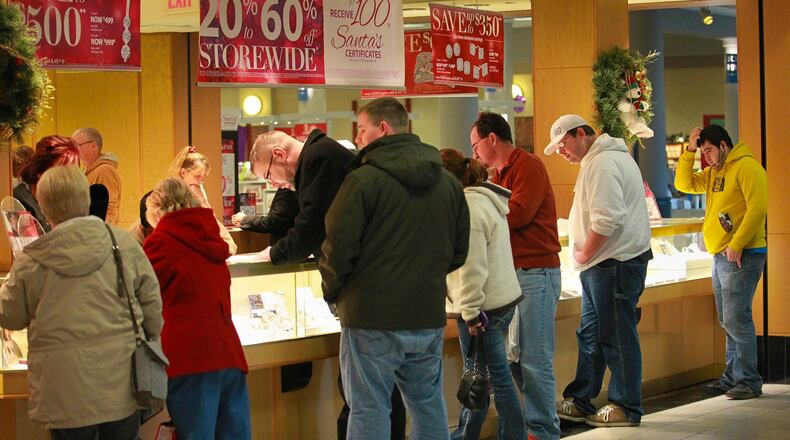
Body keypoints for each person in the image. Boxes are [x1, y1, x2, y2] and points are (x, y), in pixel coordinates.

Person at [319, 97, 470, 440]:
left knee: (370, 407)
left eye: (362, 130)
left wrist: (333, 292)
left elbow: (337, 247)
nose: (358, 139)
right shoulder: (447, 183)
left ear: (382, 129)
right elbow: (459, 251)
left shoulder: (361, 181)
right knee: (428, 404)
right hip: (427, 314)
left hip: (371, 317)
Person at [0, 165, 163, 439]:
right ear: (86, 198)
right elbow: (153, 307)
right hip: (122, 382)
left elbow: (10, 315)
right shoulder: (123, 244)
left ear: (44, 206)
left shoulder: (32, 259)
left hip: (63, 391)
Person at [545, 114, 652, 427]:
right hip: (602, 266)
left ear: (581, 134)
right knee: (592, 333)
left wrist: (583, 252)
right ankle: (581, 398)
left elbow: (607, 220)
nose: (562, 152)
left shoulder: (603, 163)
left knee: (617, 335)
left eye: (563, 143)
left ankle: (626, 405)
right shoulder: (600, 160)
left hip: (613, 264)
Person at [470, 112, 562, 440]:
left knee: (535, 359)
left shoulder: (528, 166)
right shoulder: (499, 174)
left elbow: (519, 214)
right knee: (515, 361)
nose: (474, 153)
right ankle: (532, 428)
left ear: (492, 138)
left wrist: (485, 211)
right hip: (514, 276)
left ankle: (544, 431)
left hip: (535, 272)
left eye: (476, 144)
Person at [143, 178, 251, 439]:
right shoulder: (211, 237)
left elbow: (144, 298)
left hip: (189, 356)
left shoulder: (160, 243)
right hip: (228, 352)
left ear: (157, 210)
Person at [674, 125, 767, 400]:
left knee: (737, 318)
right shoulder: (714, 172)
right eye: (703, 152)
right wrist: (689, 152)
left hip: (743, 254)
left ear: (725, 146)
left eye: (710, 151)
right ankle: (732, 375)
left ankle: (748, 379)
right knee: (727, 319)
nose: (707, 157)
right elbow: (684, 184)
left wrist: (737, 244)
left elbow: (757, 208)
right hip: (721, 255)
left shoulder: (748, 168)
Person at [440, 148, 525, 440]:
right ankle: (467, 434)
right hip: (499, 301)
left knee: (493, 376)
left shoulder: (470, 208)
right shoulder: (485, 200)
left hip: (483, 308)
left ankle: (510, 434)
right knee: (483, 375)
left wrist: (472, 312)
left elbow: (472, 266)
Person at [248, 129, 354, 264]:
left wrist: (275, 253)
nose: (273, 184)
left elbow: (313, 225)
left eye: (268, 176)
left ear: (279, 154)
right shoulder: (317, 156)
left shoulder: (318, 159)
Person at [169, 146, 238, 255]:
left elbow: (210, 218)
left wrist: (227, 244)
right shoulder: (173, 195)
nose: (200, 181)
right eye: (197, 176)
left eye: (203, 177)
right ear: (183, 173)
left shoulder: (197, 188)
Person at [14, 135, 82, 233]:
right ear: (41, 170)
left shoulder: (65, 199)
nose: (70, 181)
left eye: (74, 173)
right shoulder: (20, 200)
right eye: (62, 173)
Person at [72, 128, 122, 224]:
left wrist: (102, 235)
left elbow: (110, 210)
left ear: (93, 146)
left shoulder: (104, 170)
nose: (74, 150)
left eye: (77, 145)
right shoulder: (88, 170)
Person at [231, 187, 299, 245]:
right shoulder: (292, 187)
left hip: (289, 251)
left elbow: (274, 222)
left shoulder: (290, 189)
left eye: (267, 174)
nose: (271, 181)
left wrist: (244, 219)